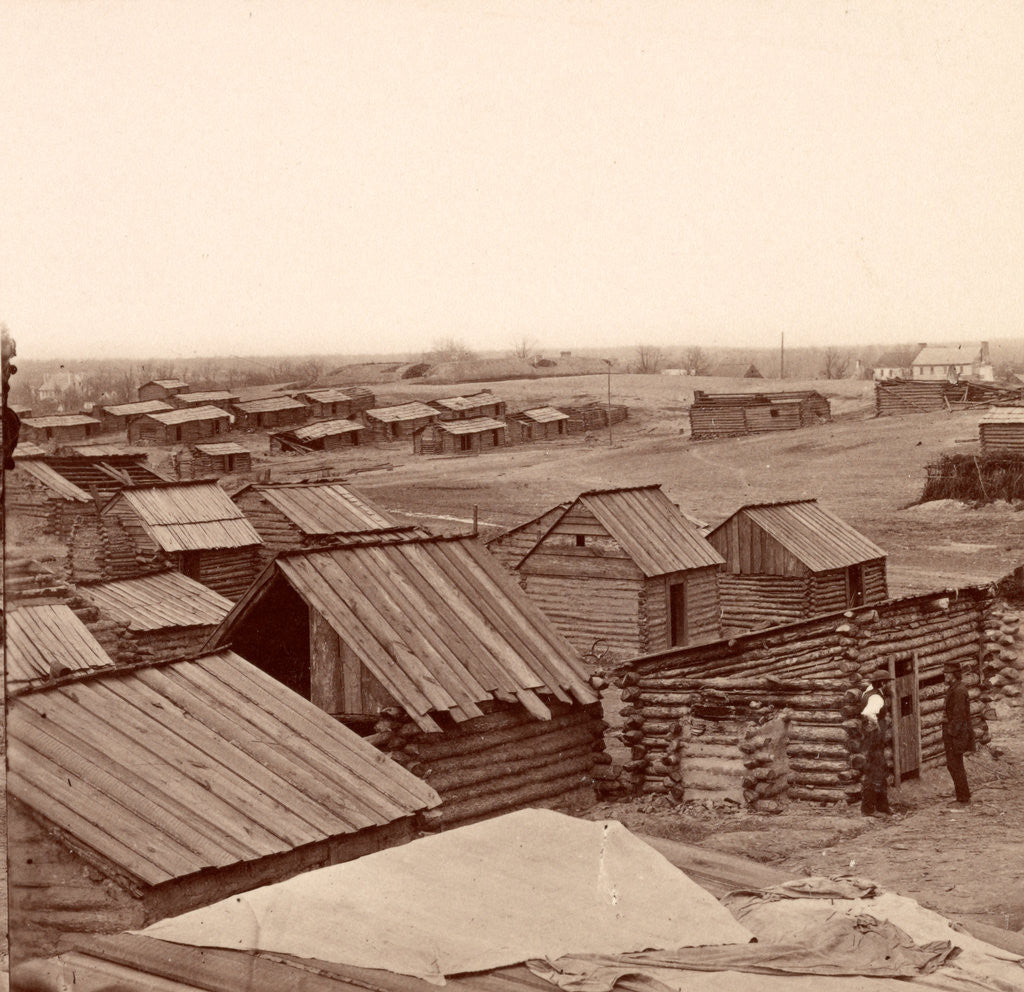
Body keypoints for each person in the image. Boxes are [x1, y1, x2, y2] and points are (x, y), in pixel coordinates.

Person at [859, 668, 892, 817]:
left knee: (880, 770)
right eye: (888, 683)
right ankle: (868, 809)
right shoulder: (876, 698)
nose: (890, 686)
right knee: (874, 773)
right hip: (874, 740)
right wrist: (877, 726)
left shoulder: (869, 691)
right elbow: (867, 713)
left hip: (872, 740)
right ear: (883, 683)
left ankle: (883, 806)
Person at [942, 662, 974, 805]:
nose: (945, 675)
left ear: (954, 675)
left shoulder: (959, 690)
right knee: (954, 764)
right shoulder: (954, 688)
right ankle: (962, 796)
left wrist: (951, 732)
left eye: (947, 673)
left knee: (955, 765)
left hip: (956, 735)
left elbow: (959, 715)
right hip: (955, 733)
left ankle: (963, 798)